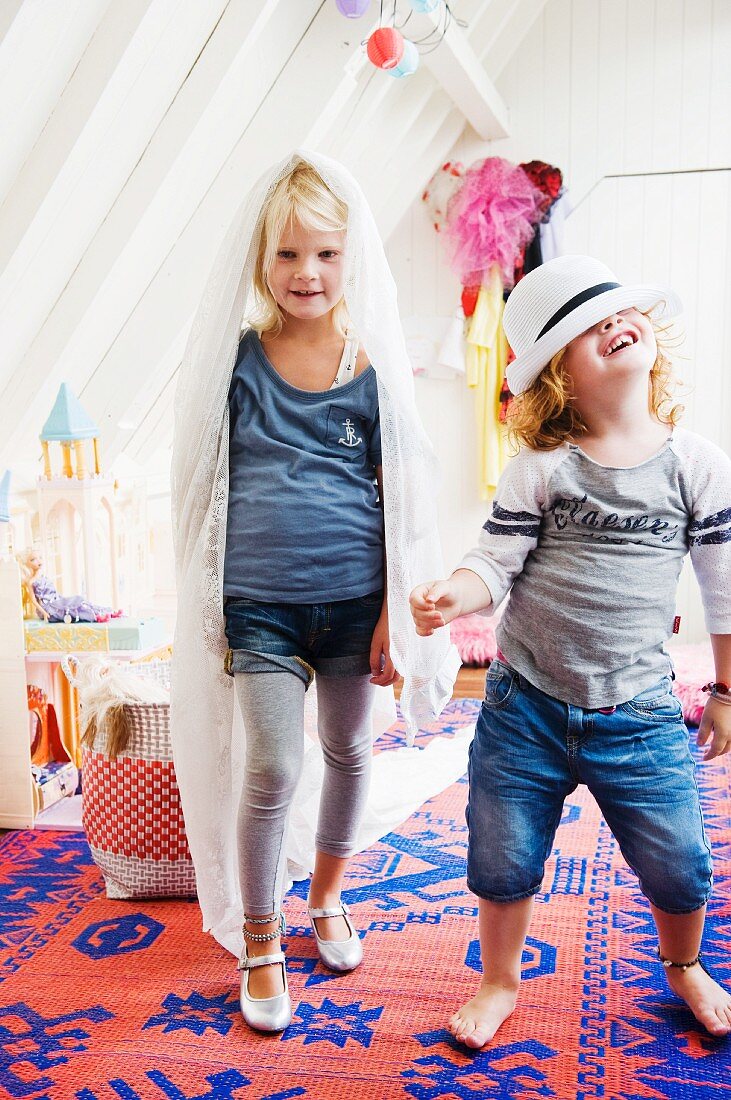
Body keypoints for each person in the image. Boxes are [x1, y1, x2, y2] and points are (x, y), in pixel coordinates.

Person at [170, 152, 459, 1034]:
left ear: (351, 258)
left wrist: (388, 617)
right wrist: (205, 605)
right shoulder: (237, 364)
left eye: (326, 255)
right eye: (289, 255)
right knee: (269, 765)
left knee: (347, 750)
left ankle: (326, 895)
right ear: (261, 259)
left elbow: (403, 498)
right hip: (257, 607)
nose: (307, 273)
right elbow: (199, 484)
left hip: (351, 606)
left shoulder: (370, 366)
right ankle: (260, 936)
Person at [410, 254, 731, 1046]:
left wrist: (724, 692)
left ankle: (684, 965)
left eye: (619, 314)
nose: (613, 326)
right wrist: (456, 592)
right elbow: (494, 561)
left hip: (642, 708)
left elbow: (723, 589)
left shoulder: (694, 465)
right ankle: (497, 980)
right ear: (557, 376)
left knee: (677, 861)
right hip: (525, 706)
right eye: (586, 329)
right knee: (502, 851)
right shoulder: (541, 469)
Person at [16, 548, 120, 623]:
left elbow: (53, 592)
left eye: (40, 557)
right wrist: (44, 613)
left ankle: (104, 613)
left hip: (57, 600)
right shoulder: (31, 581)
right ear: (27, 563)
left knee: (77, 599)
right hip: (49, 608)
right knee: (70, 608)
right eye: (33, 559)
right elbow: (34, 601)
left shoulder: (43, 576)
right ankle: (95, 617)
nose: (38, 561)